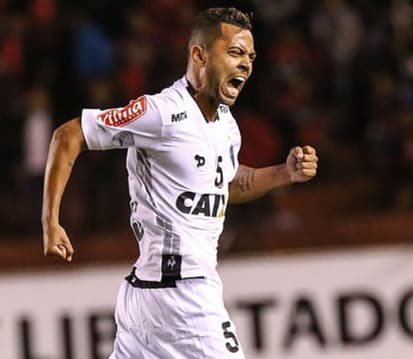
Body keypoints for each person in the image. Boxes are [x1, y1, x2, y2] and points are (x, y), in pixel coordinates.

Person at [41, 7, 318, 358]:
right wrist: (50, 221)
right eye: (234, 52)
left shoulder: (226, 125)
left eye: (250, 56)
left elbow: (226, 186)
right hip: (184, 296)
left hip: (146, 295)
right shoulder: (161, 114)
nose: (246, 64)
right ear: (199, 55)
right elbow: (69, 135)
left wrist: (283, 173)